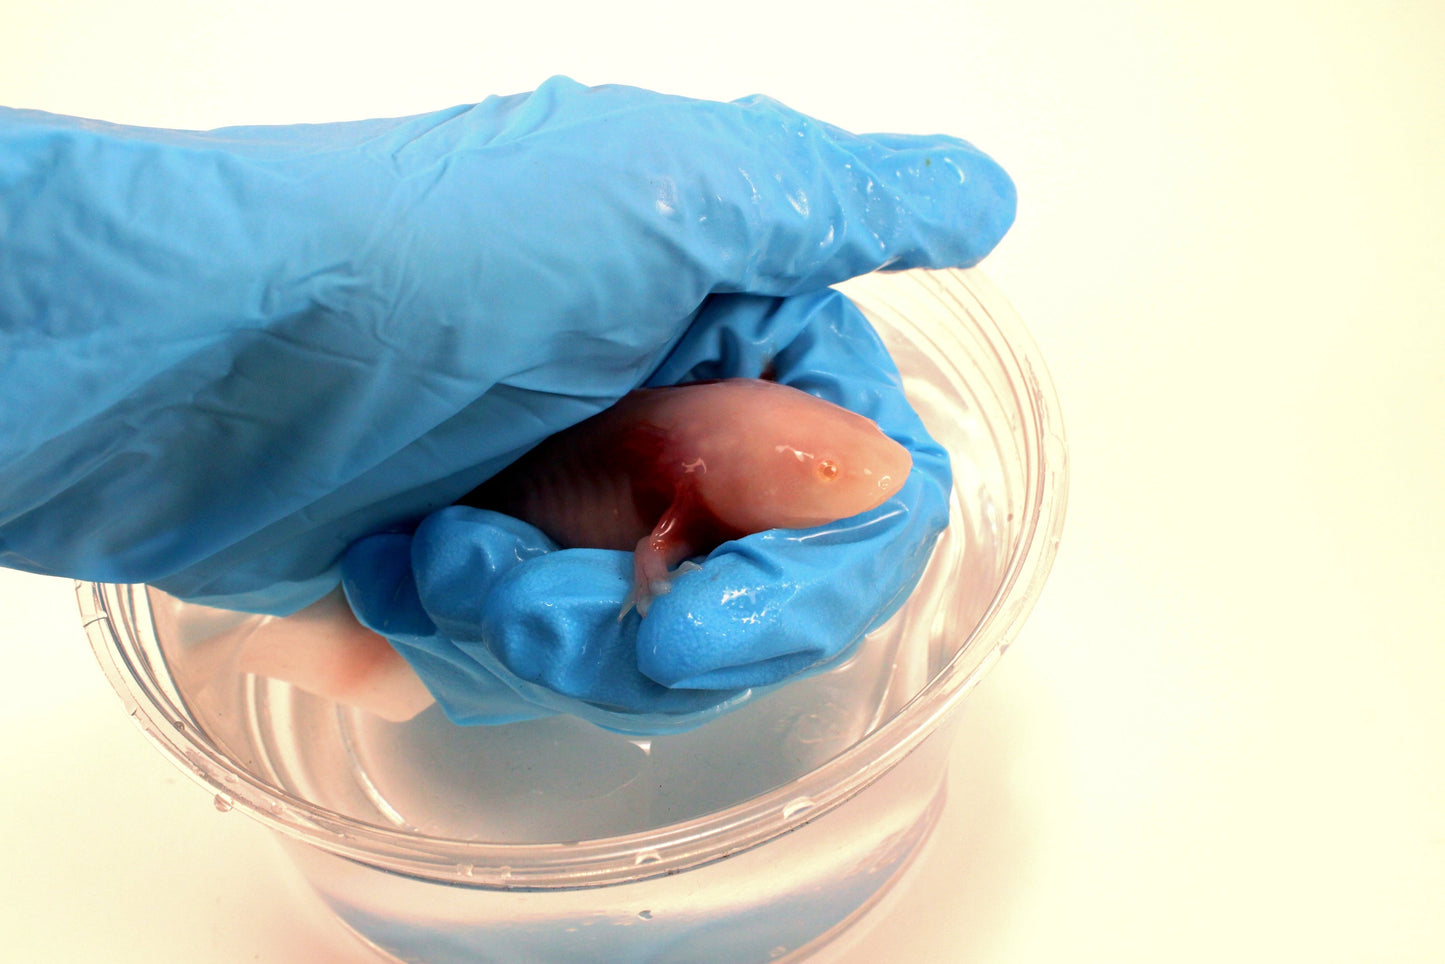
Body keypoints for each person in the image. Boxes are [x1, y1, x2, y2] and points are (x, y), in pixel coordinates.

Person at [0, 77, 1015, 729]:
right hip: (475, 512)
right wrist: (652, 578)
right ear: (683, 481)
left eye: (835, 449)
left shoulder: (724, 401)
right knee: (475, 592)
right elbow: (655, 561)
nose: (868, 460)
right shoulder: (678, 491)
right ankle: (357, 645)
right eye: (831, 462)